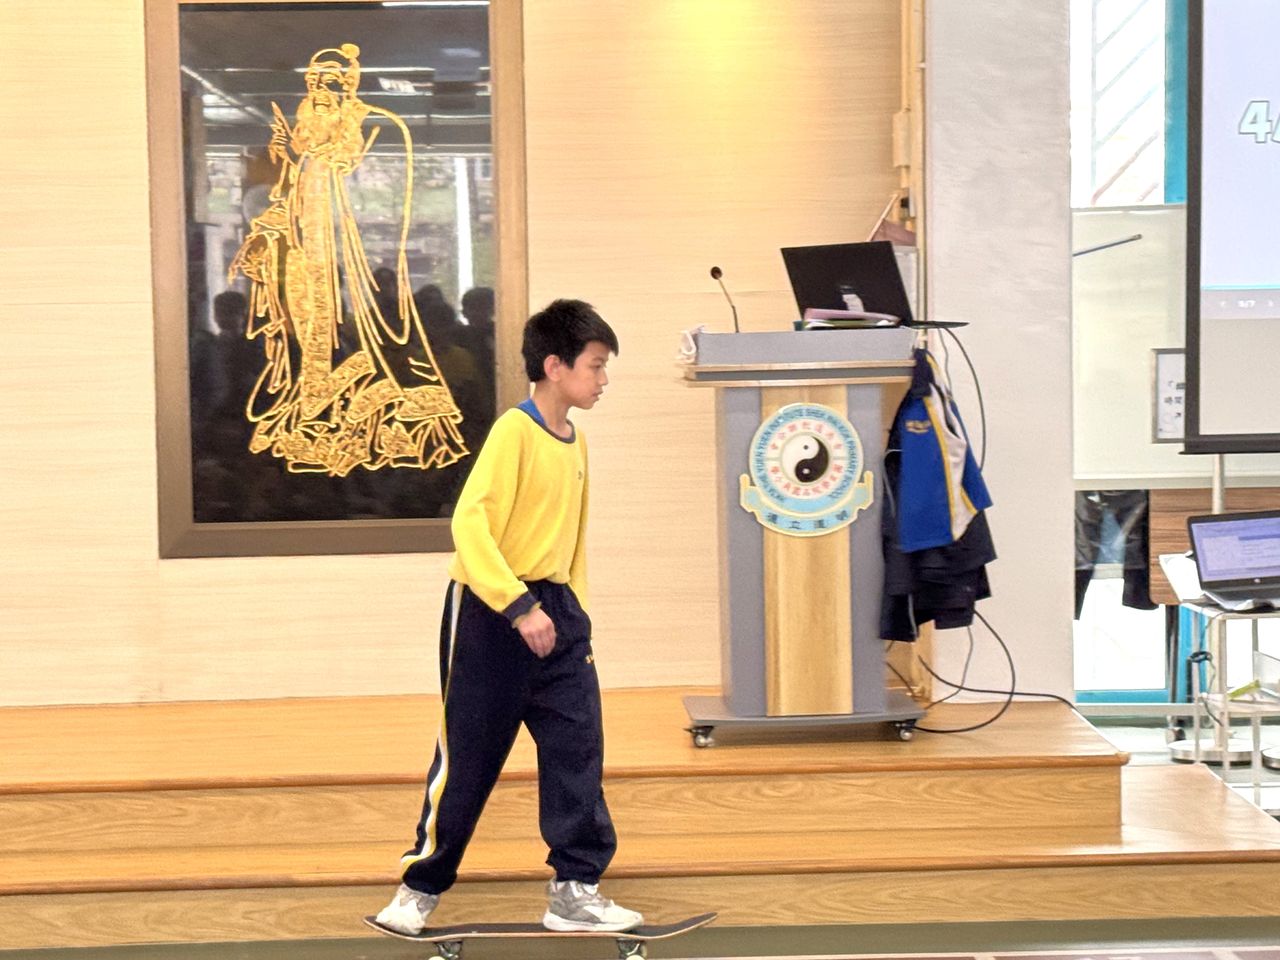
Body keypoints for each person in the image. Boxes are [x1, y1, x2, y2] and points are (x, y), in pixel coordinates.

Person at [375, 299, 643, 936]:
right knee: (469, 758)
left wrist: (572, 613)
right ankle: (418, 889)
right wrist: (519, 605)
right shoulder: (514, 432)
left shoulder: (576, 442)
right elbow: (470, 525)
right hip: (492, 613)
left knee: (578, 751)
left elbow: (571, 541)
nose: (603, 380)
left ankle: (574, 890)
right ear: (554, 366)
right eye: (595, 366)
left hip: (558, 614)